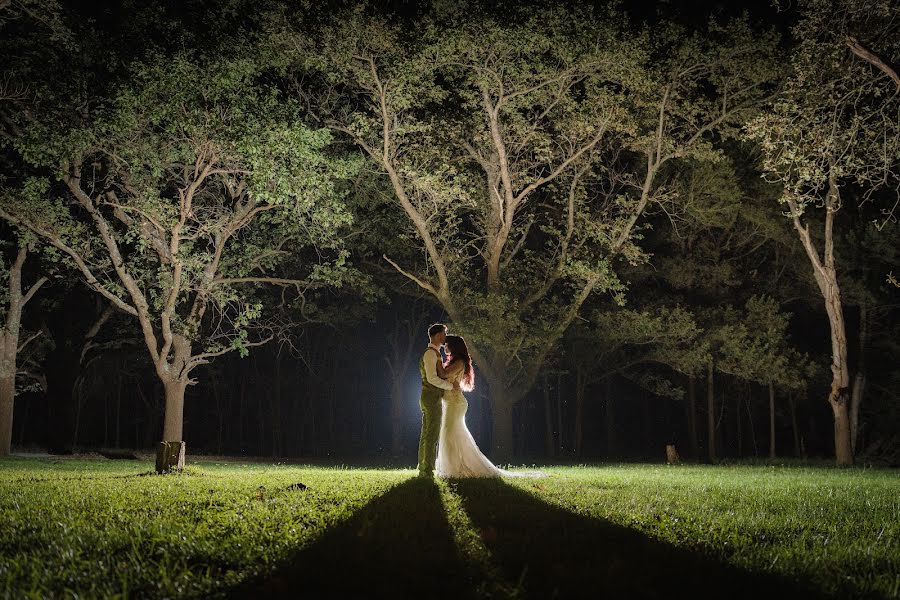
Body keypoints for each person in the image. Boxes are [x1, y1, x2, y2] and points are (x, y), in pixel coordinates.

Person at [435, 334, 544, 479]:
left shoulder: (459, 362)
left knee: (449, 433)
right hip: (451, 402)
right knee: (451, 434)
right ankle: (453, 467)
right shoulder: (456, 361)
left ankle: (453, 469)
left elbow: (443, 373)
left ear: (453, 346)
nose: (444, 347)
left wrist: (435, 357)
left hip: (455, 403)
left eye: (446, 344)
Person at [417, 323, 457, 478]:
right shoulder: (430, 354)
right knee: (431, 432)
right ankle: (427, 469)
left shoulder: (435, 353)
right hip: (430, 397)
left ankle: (424, 466)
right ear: (438, 335)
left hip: (432, 397)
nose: (445, 337)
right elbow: (432, 378)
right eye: (444, 334)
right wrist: (449, 386)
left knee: (427, 431)